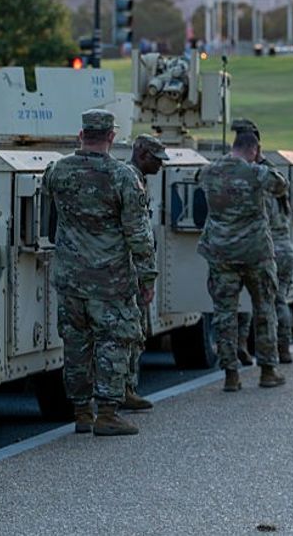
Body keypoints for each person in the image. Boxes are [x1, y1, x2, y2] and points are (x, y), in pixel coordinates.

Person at [43, 110, 155, 436]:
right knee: (115, 342)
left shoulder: (57, 171)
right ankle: (107, 412)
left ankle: (81, 413)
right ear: (111, 137)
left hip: (69, 278)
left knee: (76, 345)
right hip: (111, 280)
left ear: (81, 134)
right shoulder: (123, 177)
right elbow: (138, 233)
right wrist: (147, 277)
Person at [198, 129, 288, 391]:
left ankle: (230, 375)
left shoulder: (210, 170)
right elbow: (281, 185)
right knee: (264, 309)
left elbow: (196, 179)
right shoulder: (256, 171)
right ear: (254, 150)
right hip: (255, 253)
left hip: (220, 253)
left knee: (224, 314)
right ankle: (268, 371)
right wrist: (261, 162)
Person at [232, 120, 293, 366]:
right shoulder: (271, 174)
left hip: (261, 246)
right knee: (277, 300)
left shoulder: (252, 176)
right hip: (281, 245)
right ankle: (283, 348)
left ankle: (241, 345)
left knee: (246, 300)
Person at [121, 134, 168, 411]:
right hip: (129, 272)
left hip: (124, 270)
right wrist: (147, 277)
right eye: (156, 159)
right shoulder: (131, 180)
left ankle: (127, 387)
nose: (161, 165)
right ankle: (125, 389)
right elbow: (139, 234)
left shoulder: (136, 178)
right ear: (142, 155)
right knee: (132, 332)